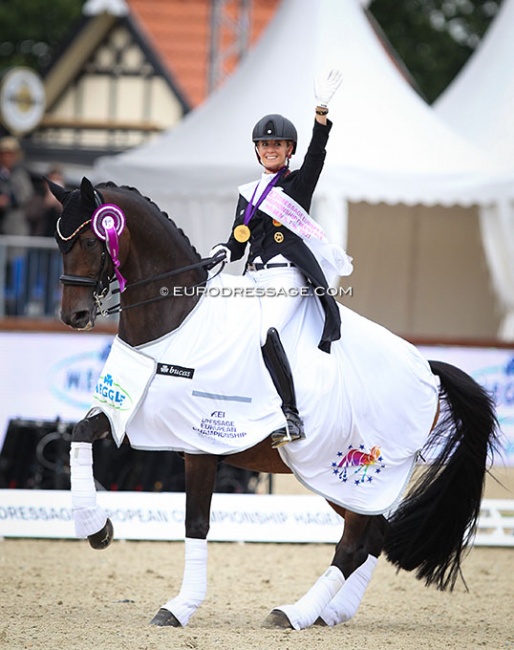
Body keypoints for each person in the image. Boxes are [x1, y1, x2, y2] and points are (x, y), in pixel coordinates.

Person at [209, 70, 352, 448]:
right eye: (264, 144)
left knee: (265, 333)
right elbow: (239, 238)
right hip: (251, 277)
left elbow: (317, 156)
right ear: (257, 150)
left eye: (279, 144)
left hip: (286, 278)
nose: (271, 149)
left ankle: (290, 415)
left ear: (289, 150)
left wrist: (320, 114)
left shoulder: (297, 184)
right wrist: (224, 251)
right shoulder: (249, 193)